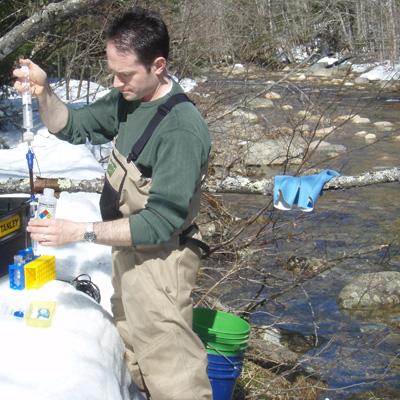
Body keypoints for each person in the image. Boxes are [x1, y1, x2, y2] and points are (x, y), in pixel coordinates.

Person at [14, 7, 212, 400]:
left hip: (163, 262)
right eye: (112, 72)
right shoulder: (129, 97)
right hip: (127, 253)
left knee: (174, 378)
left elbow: (159, 223)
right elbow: (72, 125)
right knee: (134, 356)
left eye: (125, 74)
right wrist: (45, 91)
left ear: (158, 66)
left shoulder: (182, 129)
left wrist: (80, 231)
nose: (116, 82)